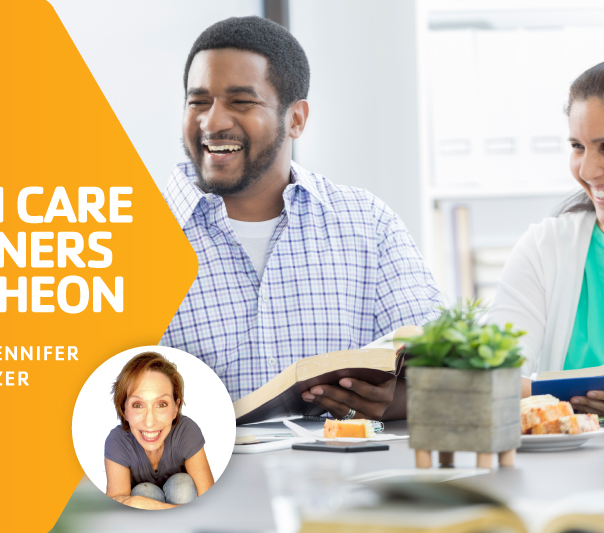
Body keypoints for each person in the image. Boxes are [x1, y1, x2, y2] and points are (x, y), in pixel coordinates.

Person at [160, 16, 442, 421]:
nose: (213, 121)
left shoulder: (367, 224)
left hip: (344, 480)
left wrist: (398, 402)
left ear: (296, 119)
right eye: (198, 101)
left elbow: (445, 368)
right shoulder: (131, 237)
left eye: (241, 102)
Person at [488, 56, 604, 420]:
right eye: (578, 146)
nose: (587, 170)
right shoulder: (545, 251)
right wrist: (586, 386)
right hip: (570, 476)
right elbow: (485, 383)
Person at [104, 352, 214, 509]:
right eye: (138, 405)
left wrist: (150, 507)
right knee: (143, 492)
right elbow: (114, 510)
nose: (150, 422)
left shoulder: (187, 431)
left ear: (175, 408)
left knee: (182, 484)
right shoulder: (117, 441)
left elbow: (211, 505)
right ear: (124, 410)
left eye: (161, 404)